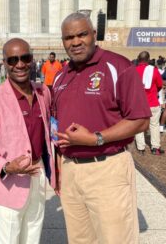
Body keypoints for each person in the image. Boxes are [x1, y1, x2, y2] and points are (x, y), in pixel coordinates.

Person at [53, 12, 150, 244]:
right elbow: (56, 123)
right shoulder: (60, 76)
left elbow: (140, 119)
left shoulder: (118, 66)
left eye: (82, 34)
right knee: (79, 240)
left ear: (94, 35)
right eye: (69, 38)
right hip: (71, 171)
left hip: (107, 169)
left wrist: (96, 138)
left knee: (115, 239)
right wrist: (58, 167)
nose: (75, 42)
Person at [0, 38, 57, 244]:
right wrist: (6, 167)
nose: (20, 64)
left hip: (37, 174)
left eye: (25, 58)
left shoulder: (43, 92)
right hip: (8, 184)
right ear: (4, 63)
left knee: (33, 235)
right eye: (13, 60)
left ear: (32, 60)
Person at [134, 51, 164, 155]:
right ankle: (155, 147)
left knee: (139, 125)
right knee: (154, 125)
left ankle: (141, 148)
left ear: (138, 58)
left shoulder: (134, 70)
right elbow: (160, 85)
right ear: (148, 59)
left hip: (139, 103)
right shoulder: (154, 70)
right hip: (152, 102)